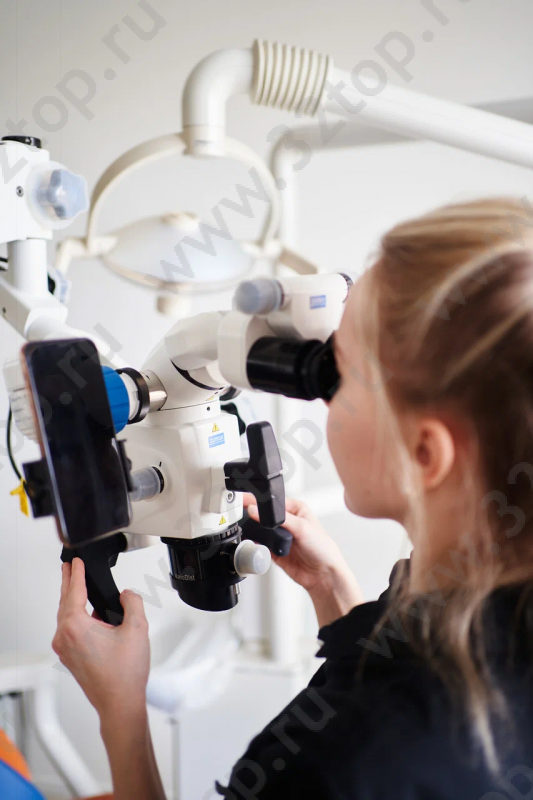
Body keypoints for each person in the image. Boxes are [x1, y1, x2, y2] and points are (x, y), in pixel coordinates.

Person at [53, 197, 533, 799]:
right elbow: (394, 670)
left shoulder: (329, 764)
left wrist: (120, 709)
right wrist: (335, 592)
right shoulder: (465, 603)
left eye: (338, 372)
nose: (321, 395)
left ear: (425, 452)